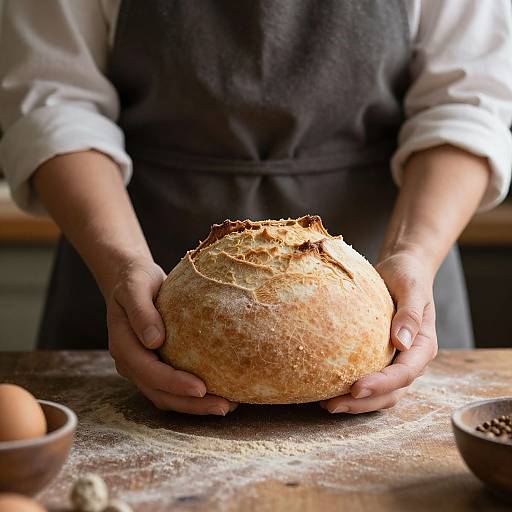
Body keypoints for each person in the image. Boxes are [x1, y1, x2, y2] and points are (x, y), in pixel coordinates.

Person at [1, 0, 511, 416]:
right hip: (135, 258)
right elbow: (54, 98)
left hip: (386, 262)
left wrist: (413, 254)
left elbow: (468, 101)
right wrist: (123, 264)